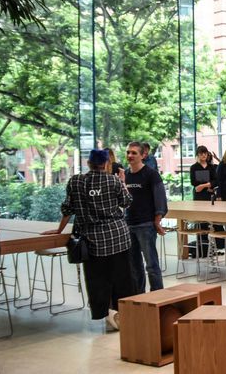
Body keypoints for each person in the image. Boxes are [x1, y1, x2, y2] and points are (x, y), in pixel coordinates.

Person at [42, 149, 135, 331]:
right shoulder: (113, 180)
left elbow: (68, 209)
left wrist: (59, 230)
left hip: (92, 239)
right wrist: (123, 182)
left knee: (97, 279)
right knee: (122, 278)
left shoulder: (76, 181)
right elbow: (126, 202)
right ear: (106, 164)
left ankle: (104, 313)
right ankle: (122, 314)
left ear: (88, 163)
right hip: (118, 236)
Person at [124, 141, 167, 293]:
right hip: (129, 225)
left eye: (134, 153)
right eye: (128, 152)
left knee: (151, 265)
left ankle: (157, 297)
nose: (130, 155)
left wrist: (157, 221)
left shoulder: (151, 174)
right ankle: (139, 298)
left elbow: (160, 198)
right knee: (134, 265)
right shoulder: (125, 175)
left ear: (143, 155)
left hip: (146, 225)